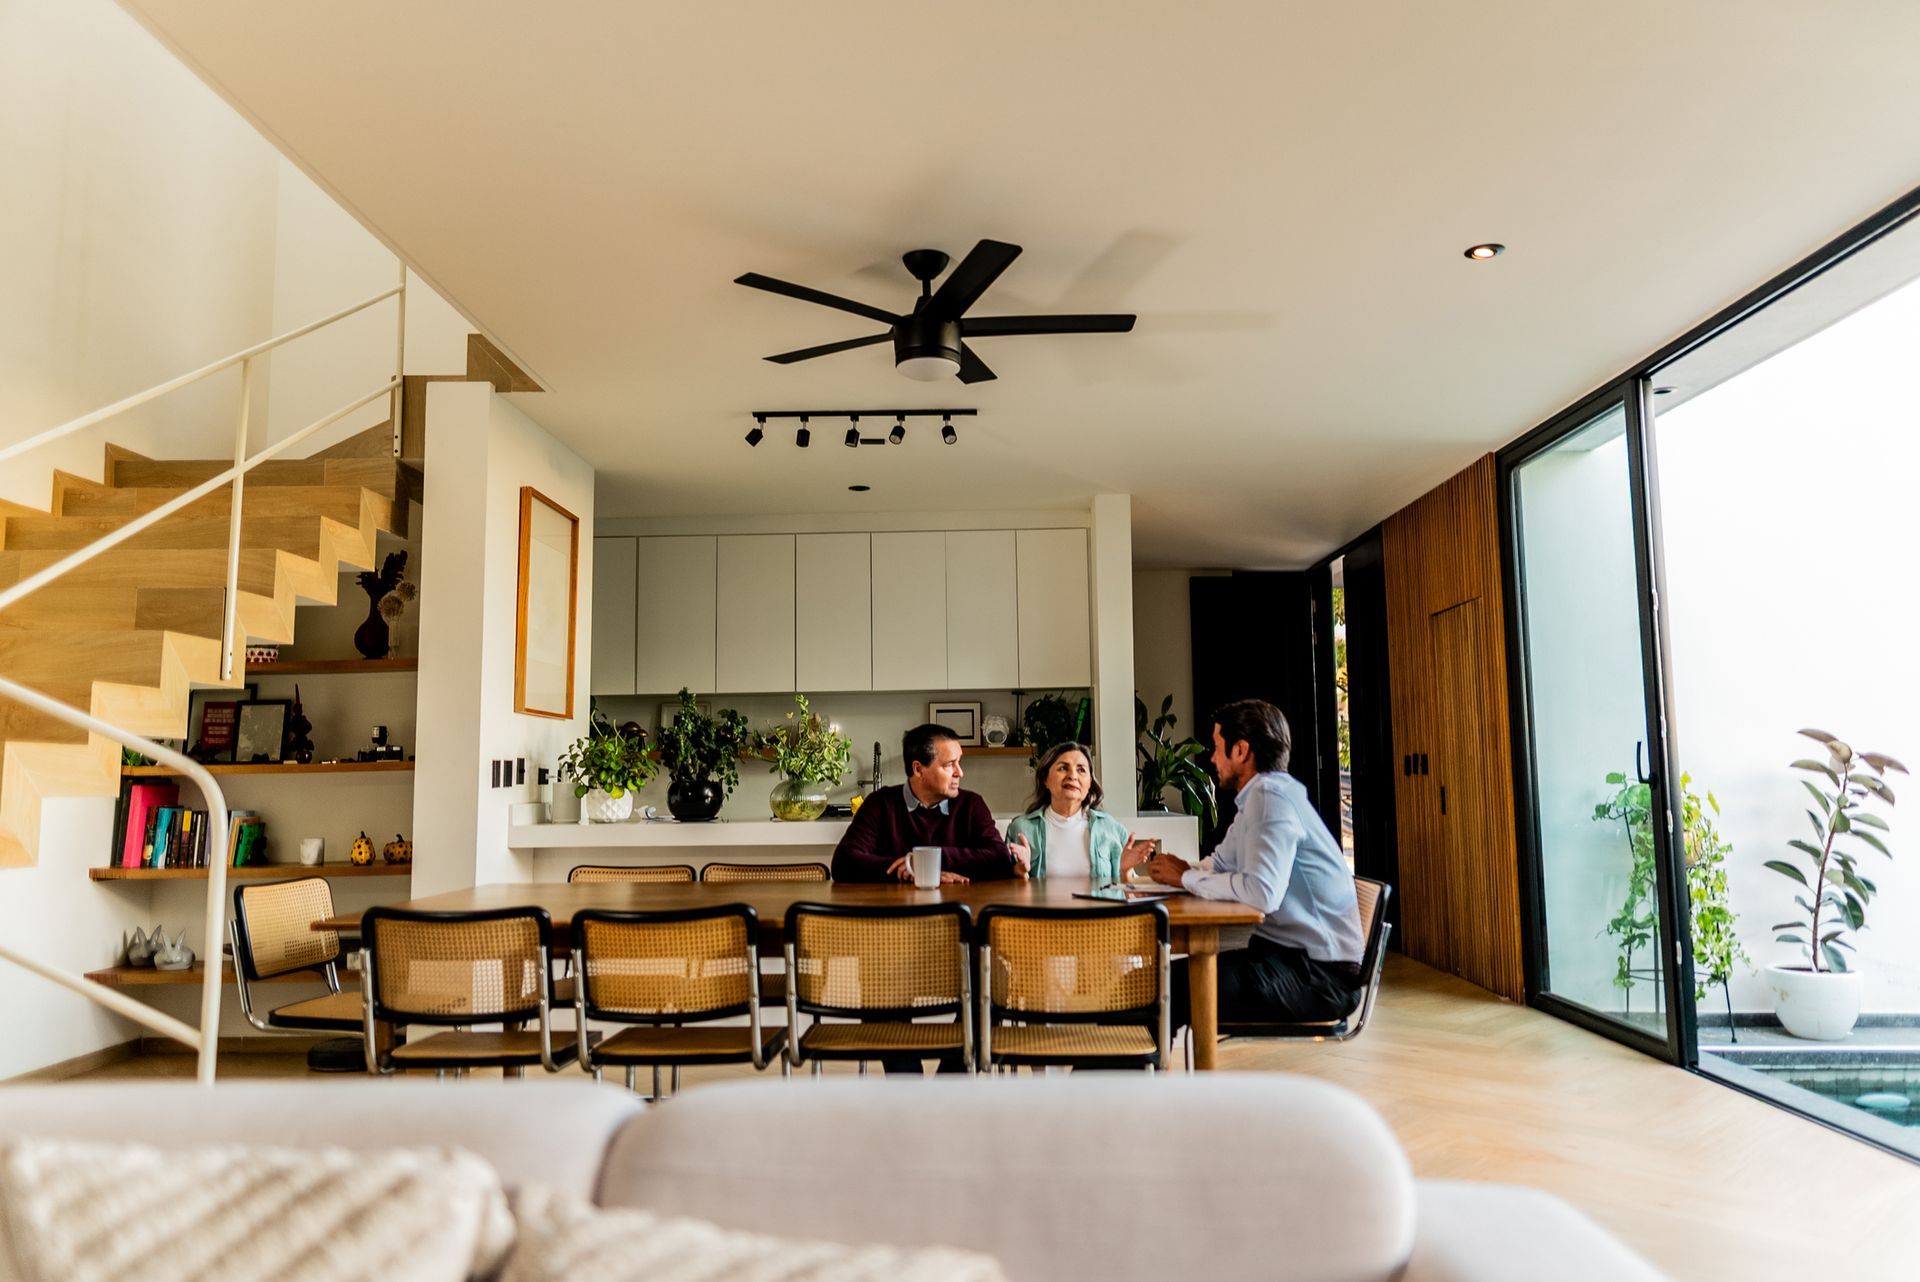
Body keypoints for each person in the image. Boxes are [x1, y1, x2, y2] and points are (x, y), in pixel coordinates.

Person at [1143, 699, 1364, 1029]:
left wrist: (1186, 877)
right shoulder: (1258, 798)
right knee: (1153, 986)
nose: (1212, 759)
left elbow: (1262, 893)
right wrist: (1181, 870)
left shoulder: (1270, 797)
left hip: (1320, 977)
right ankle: (1136, 1076)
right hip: (1287, 957)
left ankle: (1114, 1078)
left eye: (1218, 748)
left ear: (1241, 750)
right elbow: (1220, 863)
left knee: (1160, 992)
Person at [831, 723, 1017, 884]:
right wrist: (909, 871)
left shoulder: (971, 804)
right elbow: (843, 863)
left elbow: (1000, 859)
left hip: (958, 912)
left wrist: (923, 862)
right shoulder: (879, 804)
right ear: (918, 769)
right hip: (895, 918)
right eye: (949, 765)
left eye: (959, 762)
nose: (960, 773)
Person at [1004, 742, 1156, 884]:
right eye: (1063, 768)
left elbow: (1128, 893)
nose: (1073, 776)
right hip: (1043, 913)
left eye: (1081, 770)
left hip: (1097, 913)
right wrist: (1021, 872)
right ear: (1045, 779)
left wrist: (1126, 871)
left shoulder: (1112, 828)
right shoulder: (1020, 829)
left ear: (1090, 783)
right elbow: (1007, 893)